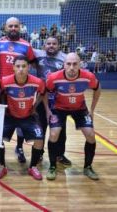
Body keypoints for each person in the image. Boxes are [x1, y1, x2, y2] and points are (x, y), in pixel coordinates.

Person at [45, 52, 101, 180]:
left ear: (80, 65)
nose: (71, 67)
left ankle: (88, 167)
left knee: (91, 135)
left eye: (75, 64)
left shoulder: (88, 76)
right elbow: (45, 92)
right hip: (59, 108)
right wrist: (48, 109)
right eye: (68, 64)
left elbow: (97, 88)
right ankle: (52, 166)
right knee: (54, 134)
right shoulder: (54, 77)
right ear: (63, 65)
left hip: (80, 108)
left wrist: (92, 109)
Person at [0, 17, 35, 164]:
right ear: (5, 27)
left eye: (16, 26)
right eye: (10, 26)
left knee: (21, 117)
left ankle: (20, 147)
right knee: (0, 120)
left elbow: (32, 64)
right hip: (2, 89)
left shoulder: (26, 45)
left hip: (20, 88)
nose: (13, 28)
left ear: (20, 27)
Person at [0, 56, 45, 180]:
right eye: (18, 66)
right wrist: (3, 108)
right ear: (13, 68)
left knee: (40, 138)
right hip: (10, 116)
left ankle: (32, 166)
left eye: (24, 66)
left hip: (27, 116)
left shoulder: (37, 82)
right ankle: (2, 166)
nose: (21, 69)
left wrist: (35, 106)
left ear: (28, 68)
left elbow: (43, 93)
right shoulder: (5, 81)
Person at [33, 37, 71, 166]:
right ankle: (38, 154)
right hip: (40, 99)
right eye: (48, 43)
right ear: (44, 45)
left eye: (54, 44)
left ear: (58, 45)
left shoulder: (65, 58)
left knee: (61, 130)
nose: (51, 46)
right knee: (40, 128)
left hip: (58, 100)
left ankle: (60, 154)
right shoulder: (38, 54)